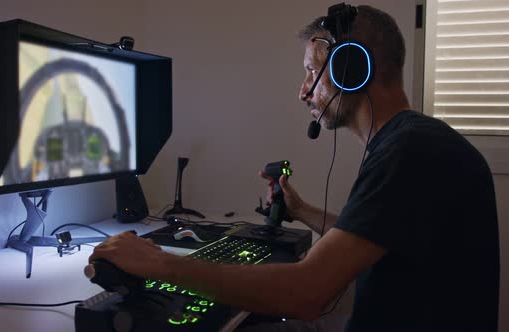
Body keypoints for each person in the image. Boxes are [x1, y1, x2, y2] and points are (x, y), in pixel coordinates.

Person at [89, 4, 500, 331]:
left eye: (311, 72)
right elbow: (380, 238)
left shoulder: (409, 150)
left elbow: (307, 295)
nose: (302, 91)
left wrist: (160, 264)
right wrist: (300, 210)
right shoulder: (412, 142)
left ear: (350, 69)